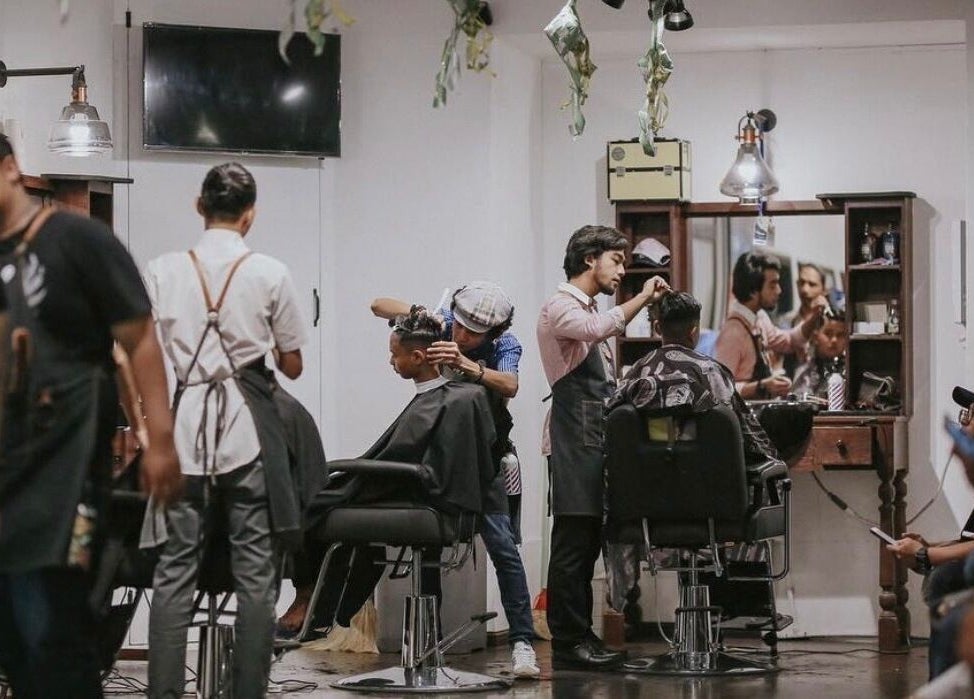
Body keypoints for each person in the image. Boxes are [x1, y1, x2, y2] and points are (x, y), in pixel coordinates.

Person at [0, 132, 181, 698]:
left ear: (10, 169)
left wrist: (159, 439)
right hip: (7, 470)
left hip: (68, 470)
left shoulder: (76, 239)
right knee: (14, 641)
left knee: (54, 629)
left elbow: (139, 340)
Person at [144, 162, 308, 699]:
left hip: (185, 430)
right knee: (256, 577)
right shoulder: (270, 274)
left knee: (173, 573)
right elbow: (292, 365)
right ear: (250, 215)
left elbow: (142, 351)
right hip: (247, 431)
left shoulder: (163, 271)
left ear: (199, 206)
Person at [292, 309, 498, 642]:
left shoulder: (452, 399)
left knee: (310, 504)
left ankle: (308, 602)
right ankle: (326, 610)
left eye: (394, 354)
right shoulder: (452, 398)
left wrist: (353, 475)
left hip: (425, 498)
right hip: (431, 497)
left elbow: (417, 465)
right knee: (336, 509)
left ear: (417, 357)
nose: (390, 361)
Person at [367, 282, 539, 677]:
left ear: (493, 333)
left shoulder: (505, 345)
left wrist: (467, 365)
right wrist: (419, 312)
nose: (460, 335)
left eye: (472, 333)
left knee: (503, 548)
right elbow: (378, 304)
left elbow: (510, 385)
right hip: (438, 459)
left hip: (483, 461)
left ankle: (522, 642)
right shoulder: (443, 323)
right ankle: (429, 642)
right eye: (458, 326)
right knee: (427, 543)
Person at [537, 224, 669, 670]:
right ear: (589, 259)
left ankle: (582, 635)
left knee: (588, 540)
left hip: (592, 435)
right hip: (573, 438)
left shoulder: (586, 308)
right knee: (572, 540)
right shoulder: (560, 307)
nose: (622, 270)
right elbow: (597, 328)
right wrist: (643, 298)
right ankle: (567, 641)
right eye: (616, 260)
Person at [714, 252, 827, 400]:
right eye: (773, 285)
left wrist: (814, 317)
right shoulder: (733, 333)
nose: (779, 291)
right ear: (754, 290)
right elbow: (720, 388)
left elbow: (789, 341)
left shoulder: (760, 318)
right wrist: (761, 386)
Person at [780, 262, 829, 377]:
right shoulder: (787, 321)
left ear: (824, 290)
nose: (804, 289)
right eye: (801, 283)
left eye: (812, 284)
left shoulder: (831, 322)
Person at [791, 310, 849, 400]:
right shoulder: (801, 366)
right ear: (815, 337)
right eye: (828, 334)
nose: (834, 340)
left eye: (840, 335)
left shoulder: (849, 371)